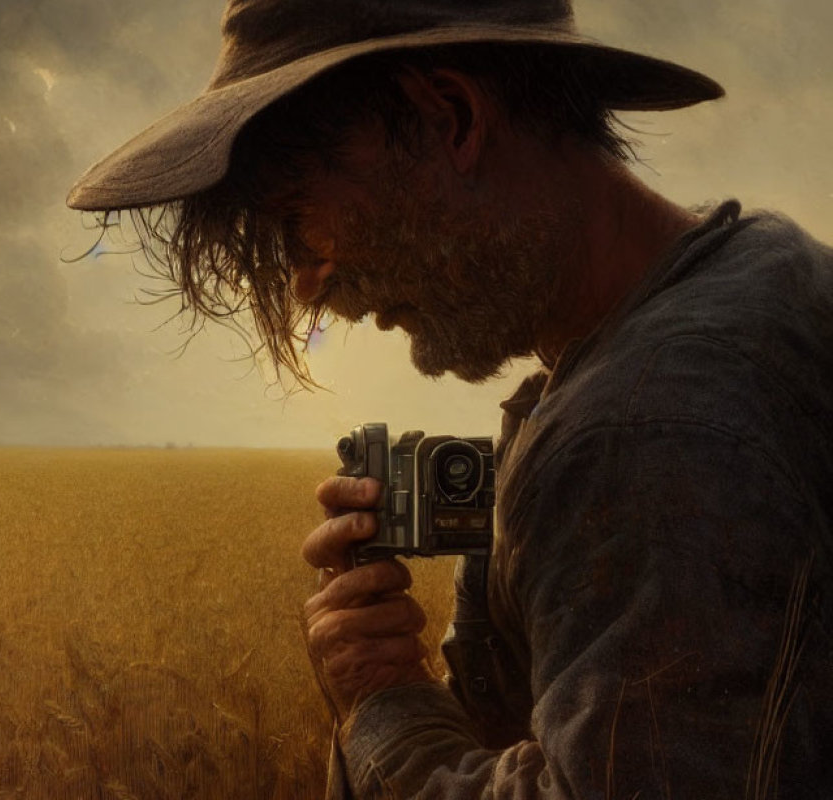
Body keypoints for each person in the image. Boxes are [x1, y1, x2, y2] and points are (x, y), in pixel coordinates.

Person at [67, 1, 833, 797]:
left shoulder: (647, 430)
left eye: (298, 219)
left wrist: (382, 702)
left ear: (453, 118)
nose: (305, 288)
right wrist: (496, 582)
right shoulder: (762, 270)